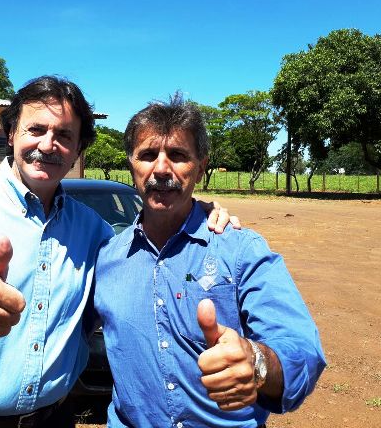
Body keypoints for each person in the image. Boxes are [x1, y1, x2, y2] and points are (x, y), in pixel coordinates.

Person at [0, 76, 235, 428]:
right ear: (11, 134)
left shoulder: (94, 232)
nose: (47, 144)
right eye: (36, 129)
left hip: (54, 419)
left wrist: (193, 212)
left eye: (64, 135)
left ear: (78, 150)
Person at [94, 95, 326, 428]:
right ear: (131, 165)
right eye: (147, 155)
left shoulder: (241, 250)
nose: (161, 169)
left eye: (178, 155)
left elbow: (300, 349)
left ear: (201, 168)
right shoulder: (106, 258)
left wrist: (256, 361)